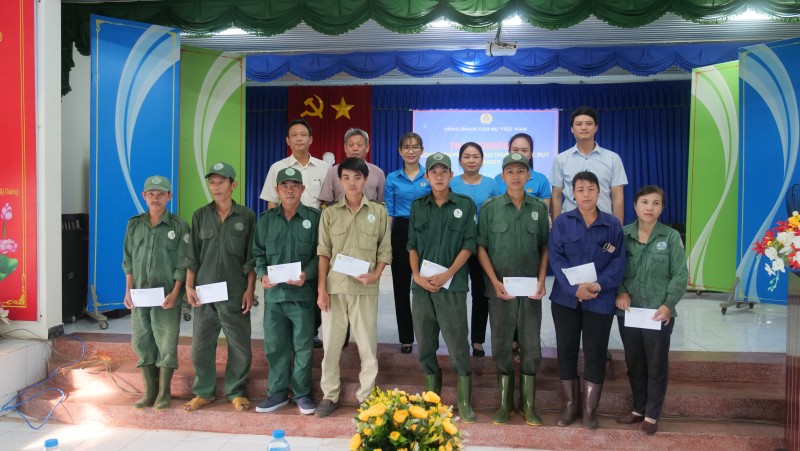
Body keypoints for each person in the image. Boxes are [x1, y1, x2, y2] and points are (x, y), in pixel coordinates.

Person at [315, 157, 392, 418]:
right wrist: (321, 289)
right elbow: (323, 252)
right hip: (334, 289)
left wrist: (376, 275)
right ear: (339, 180)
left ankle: (367, 396)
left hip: (364, 289)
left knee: (367, 346)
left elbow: (385, 250)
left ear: (366, 180)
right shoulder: (329, 213)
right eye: (346, 177)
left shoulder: (379, 212)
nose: (351, 182)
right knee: (331, 346)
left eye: (357, 177)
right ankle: (329, 394)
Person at [548, 170, 626, 429]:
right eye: (580, 189)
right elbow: (556, 259)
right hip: (566, 300)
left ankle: (590, 410)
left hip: (600, 299)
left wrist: (597, 285)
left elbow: (618, 262)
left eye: (590, 189)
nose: (585, 194)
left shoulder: (612, 225)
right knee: (567, 351)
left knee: (595, 353)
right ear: (572, 193)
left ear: (599, 191)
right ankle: (570, 407)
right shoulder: (562, 222)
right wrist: (574, 290)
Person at [477, 153, 549, 426]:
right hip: (501, 290)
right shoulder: (490, 207)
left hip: (531, 290)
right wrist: (494, 281)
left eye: (521, 171)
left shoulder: (539, 209)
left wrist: (542, 280)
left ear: (529, 175)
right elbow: (480, 246)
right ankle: (504, 404)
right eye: (510, 171)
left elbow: (544, 246)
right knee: (502, 343)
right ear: (503, 176)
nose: (516, 176)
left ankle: (528, 405)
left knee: (530, 344)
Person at [408, 152, 477, 423]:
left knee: (458, 341)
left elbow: (469, 244)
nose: (438, 176)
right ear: (426, 176)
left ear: (451, 175)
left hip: (453, 284)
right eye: (433, 172)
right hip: (422, 286)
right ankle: (431, 399)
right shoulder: (418, 206)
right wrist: (417, 276)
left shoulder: (465, 204)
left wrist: (449, 273)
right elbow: (411, 244)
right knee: (424, 342)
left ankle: (464, 401)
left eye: (443, 171)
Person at [615, 185, 688, 435]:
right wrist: (620, 291)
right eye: (644, 202)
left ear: (662, 209)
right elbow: (613, 270)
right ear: (635, 206)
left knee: (656, 363)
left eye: (656, 203)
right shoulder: (621, 235)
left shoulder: (670, 237)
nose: (649, 207)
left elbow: (680, 274)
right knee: (634, 362)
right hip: (630, 313)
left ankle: (652, 415)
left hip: (659, 314)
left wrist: (668, 305)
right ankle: (638, 408)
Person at [184, 162, 257, 412]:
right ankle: (204, 391)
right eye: (212, 182)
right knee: (200, 346)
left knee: (239, 345)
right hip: (204, 293)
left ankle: (235, 391)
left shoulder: (246, 216)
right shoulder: (200, 215)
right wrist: (189, 286)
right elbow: (192, 254)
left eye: (221, 181)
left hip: (235, 291)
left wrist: (250, 290)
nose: (216, 186)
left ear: (233, 185)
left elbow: (251, 258)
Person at [252, 168, 320, 416]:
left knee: (303, 346)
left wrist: (307, 274)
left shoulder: (314, 218)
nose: (289, 190)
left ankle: (302, 394)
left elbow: (321, 255)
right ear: (277, 190)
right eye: (284, 186)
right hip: (275, 298)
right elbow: (258, 253)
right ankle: (278, 393)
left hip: (302, 297)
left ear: (303, 189)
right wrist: (262, 274)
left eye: (294, 185)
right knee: (275, 347)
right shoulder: (266, 220)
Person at [260, 118, 330, 348]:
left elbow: (330, 202)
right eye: (294, 135)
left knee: (312, 279)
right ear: (288, 140)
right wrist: (276, 230)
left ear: (311, 139)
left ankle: (312, 330)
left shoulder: (323, 168)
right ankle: (286, 328)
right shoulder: (277, 167)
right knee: (286, 279)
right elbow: (271, 203)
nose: (299, 138)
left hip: (314, 228)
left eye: (304, 135)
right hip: (284, 226)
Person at [122, 175, 190, 410]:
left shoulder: (179, 226)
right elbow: (128, 259)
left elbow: (183, 263)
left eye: (161, 194)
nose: (155, 198)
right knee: (142, 340)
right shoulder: (134, 224)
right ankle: (149, 391)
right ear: (144, 196)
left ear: (169, 196)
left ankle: (164, 392)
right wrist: (128, 289)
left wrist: (176, 292)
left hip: (166, 297)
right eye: (151, 193)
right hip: (140, 295)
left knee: (166, 342)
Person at [449, 142, 499, 357]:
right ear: (460, 160)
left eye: (475, 156)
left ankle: (477, 340)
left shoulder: (491, 184)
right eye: (467, 156)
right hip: (456, 246)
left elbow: (496, 214)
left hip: (481, 245)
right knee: (456, 293)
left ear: (482, 160)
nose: (471, 160)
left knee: (481, 293)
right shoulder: (451, 183)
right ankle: (455, 339)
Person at [384, 132, 431, 354]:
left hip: (427, 230)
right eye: (406, 147)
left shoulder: (430, 175)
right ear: (400, 151)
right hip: (401, 230)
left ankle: (428, 335)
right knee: (401, 287)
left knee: (427, 285)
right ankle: (406, 337)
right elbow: (390, 212)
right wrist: (386, 240)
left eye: (415, 147)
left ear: (422, 150)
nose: (411, 151)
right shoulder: (392, 178)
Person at [549, 106, 627, 224]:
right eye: (579, 124)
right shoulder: (561, 159)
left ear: (596, 127)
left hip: (604, 224)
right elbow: (556, 197)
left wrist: (618, 230)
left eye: (589, 123)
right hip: (570, 224)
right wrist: (556, 228)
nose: (584, 127)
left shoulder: (612, 158)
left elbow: (618, 198)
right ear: (572, 129)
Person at [319, 128, 386, 203]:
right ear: (345, 147)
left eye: (359, 145)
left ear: (367, 147)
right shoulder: (333, 171)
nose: (355, 148)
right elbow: (326, 202)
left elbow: (382, 203)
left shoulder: (378, 173)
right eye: (351, 145)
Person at [494, 133, 551, 209]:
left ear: (531, 154)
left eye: (524, 150)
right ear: (509, 152)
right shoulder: (498, 179)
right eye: (515, 150)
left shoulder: (541, 180)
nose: (519, 154)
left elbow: (543, 213)